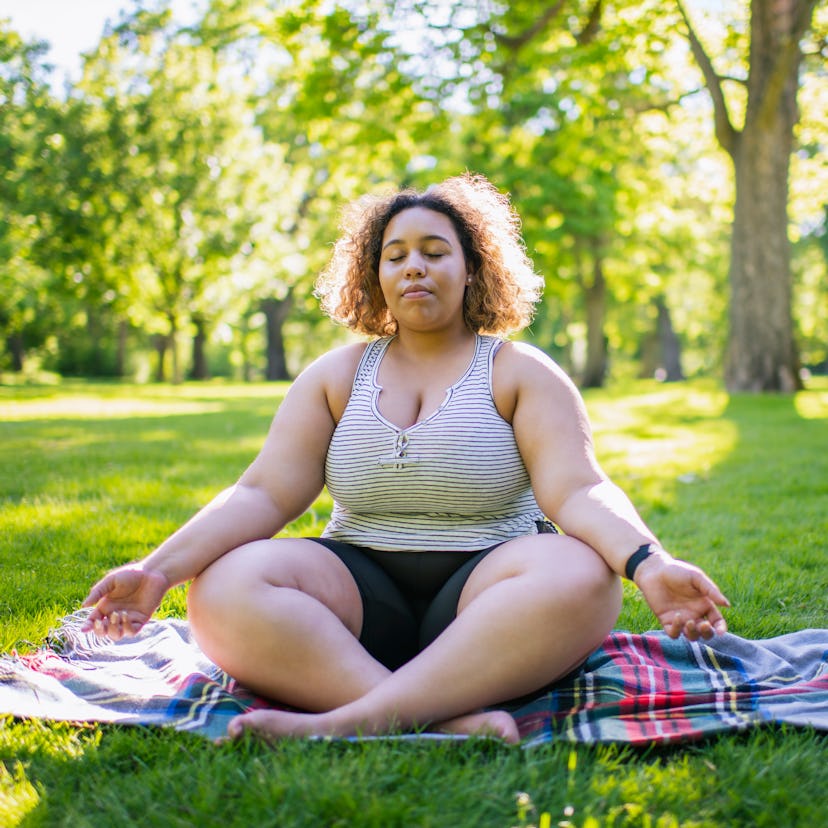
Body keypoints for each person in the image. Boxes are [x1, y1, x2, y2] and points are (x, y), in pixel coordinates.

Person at [82, 173, 730, 744]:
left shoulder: (519, 371)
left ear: (473, 269)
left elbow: (579, 490)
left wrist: (648, 562)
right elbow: (262, 494)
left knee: (584, 575)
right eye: (395, 256)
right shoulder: (334, 377)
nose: (413, 267)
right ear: (376, 277)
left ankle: (349, 722)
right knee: (221, 587)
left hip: (489, 602)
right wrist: (158, 571)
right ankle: (440, 719)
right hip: (359, 600)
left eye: (434, 252)